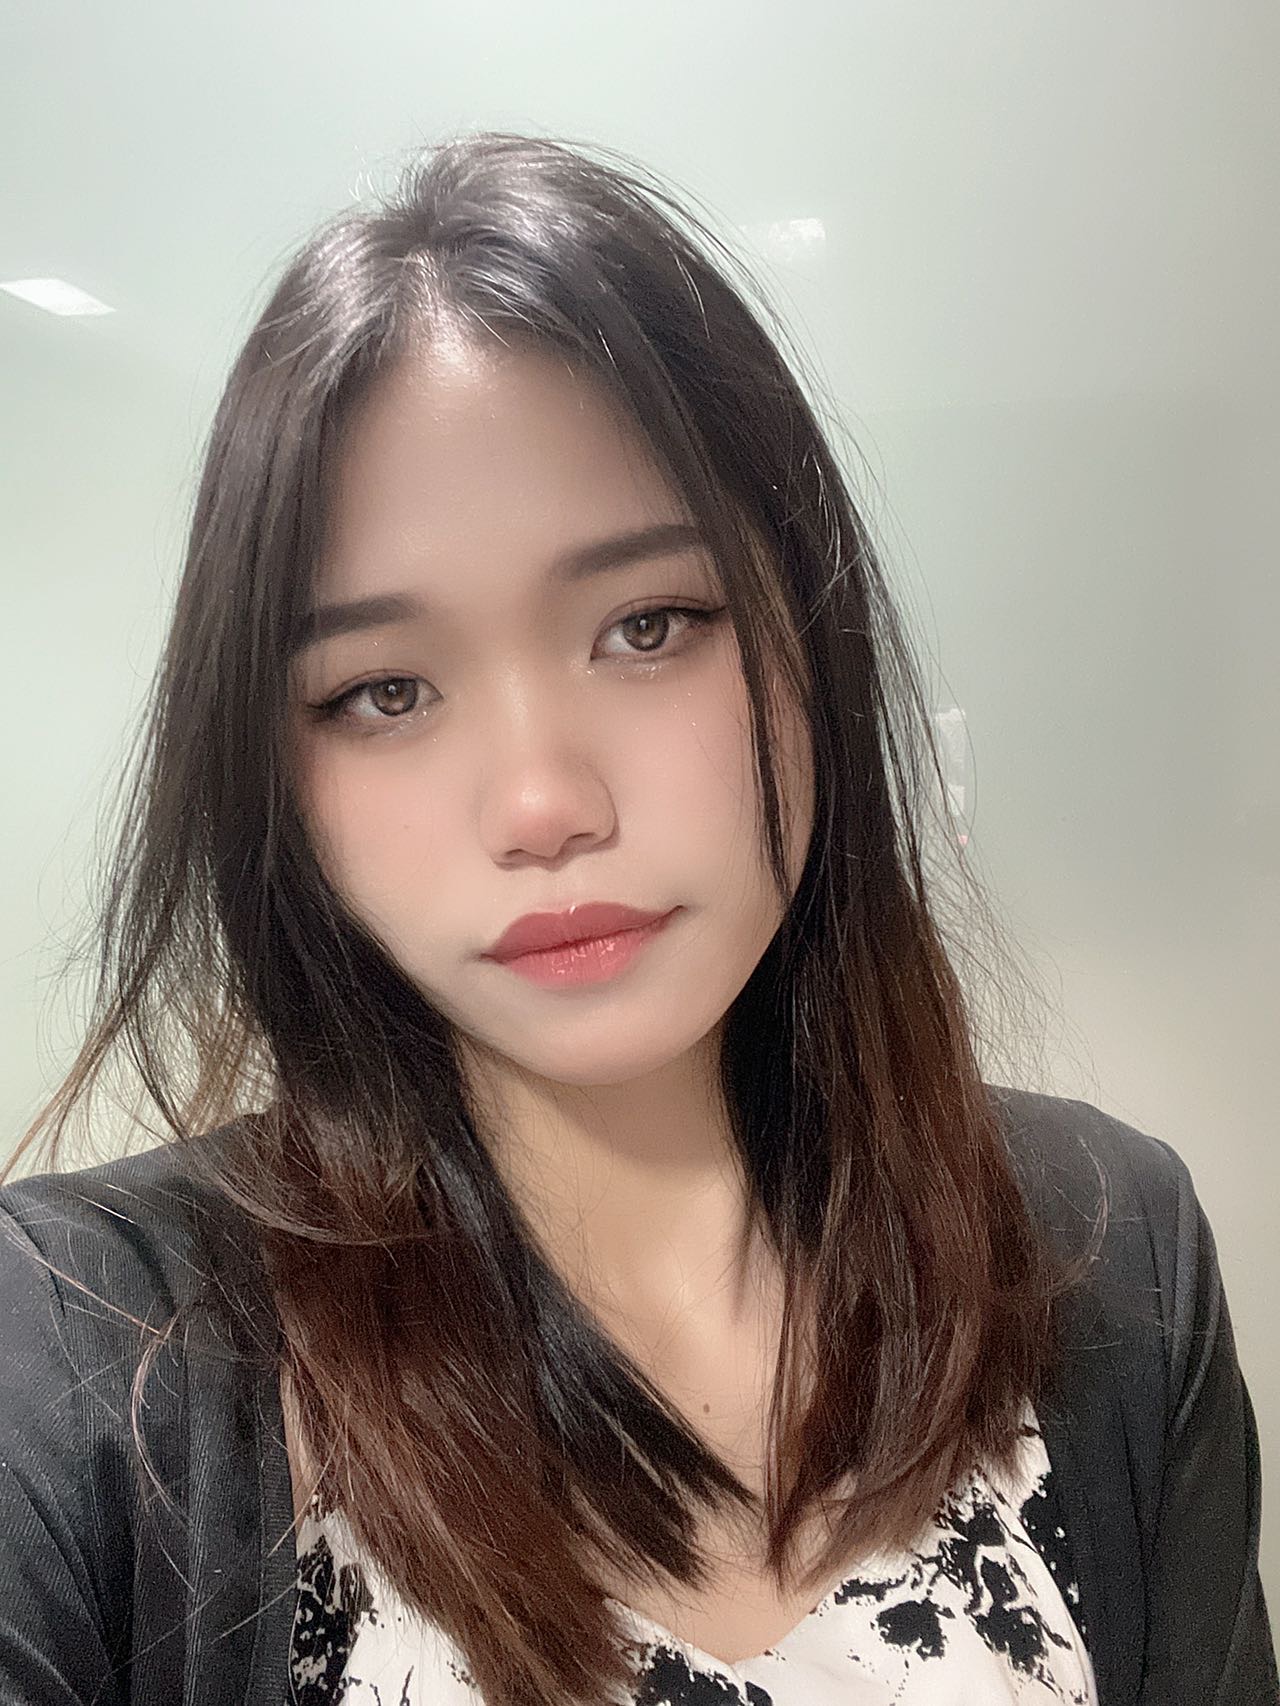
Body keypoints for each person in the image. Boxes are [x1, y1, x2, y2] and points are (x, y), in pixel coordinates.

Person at [0, 131, 1273, 1706]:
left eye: (648, 624)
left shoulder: (1109, 1247)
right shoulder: (83, 1348)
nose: (542, 802)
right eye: (384, 691)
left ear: (811, 639)